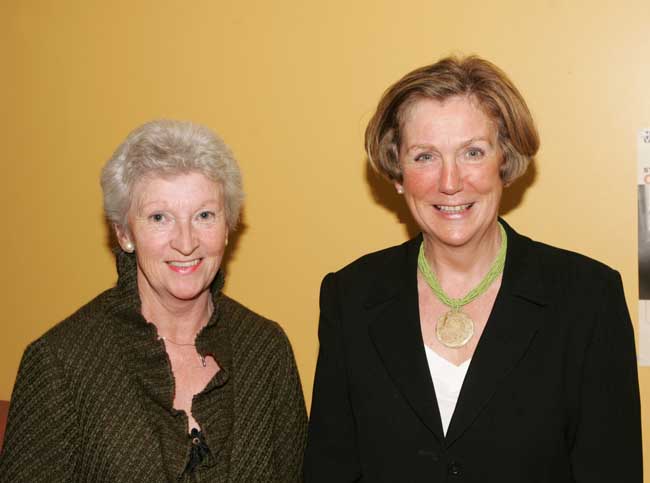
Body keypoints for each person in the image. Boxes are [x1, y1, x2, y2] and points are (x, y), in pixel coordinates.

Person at [304, 56, 642, 482]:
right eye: (425, 156)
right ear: (397, 173)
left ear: (504, 161)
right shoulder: (349, 297)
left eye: (473, 152)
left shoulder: (588, 299)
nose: (450, 181)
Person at [0, 120, 307, 482]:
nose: (186, 241)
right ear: (124, 232)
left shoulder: (266, 350)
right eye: (160, 217)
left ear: (228, 227)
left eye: (204, 215)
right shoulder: (60, 363)